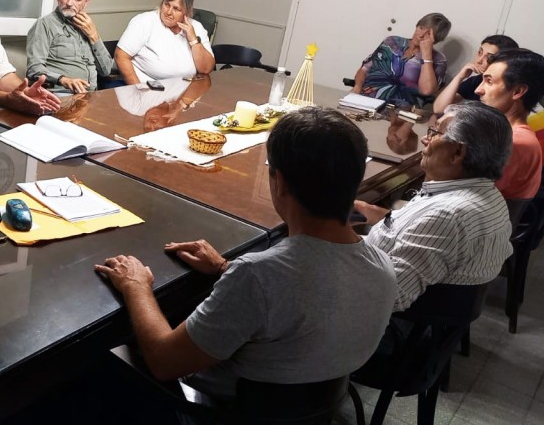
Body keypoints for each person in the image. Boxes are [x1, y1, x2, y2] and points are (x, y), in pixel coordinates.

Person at [95, 108, 396, 400]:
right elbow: (298, 295)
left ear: (280, 182)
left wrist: (136, 286)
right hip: (315, 406)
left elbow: (164, 362)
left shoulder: (257, 275)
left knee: (95, 363)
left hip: (221, 410)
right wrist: (224, 267)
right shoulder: (382, 266)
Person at [355, 101, 513, 311]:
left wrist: (338, 239)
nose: (424, 139)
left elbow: (388, 297)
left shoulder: (447, 216)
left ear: (457, 152)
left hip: (374, 292)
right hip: (379, 264)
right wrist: (381, 215)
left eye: (434, 133)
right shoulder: (485, 193)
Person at [475, 48, 544, 200]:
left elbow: (470, 193)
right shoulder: (505, 133)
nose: (478, 90)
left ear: (517, 91)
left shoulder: (514, 143)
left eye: (489, 81)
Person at [26, 0, 114, 94]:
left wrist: (94, 36)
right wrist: (63, 80)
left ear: (86, 2)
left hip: (91, 96)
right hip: (62, 95)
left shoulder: (88, 26)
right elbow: (34, 69)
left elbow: (106, 71)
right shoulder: (44, 24)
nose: (69, 3)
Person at [115, 0, 216, 85]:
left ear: (187, 12)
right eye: (167, 4)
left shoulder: (196, 27)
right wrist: (138, 89)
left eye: (176, 9)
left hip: (185, 90)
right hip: (148, 88)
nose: (168, 12)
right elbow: (120, 56)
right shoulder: (145, 21)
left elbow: (206, 69)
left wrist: (193, 40)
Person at [352, 13, 451, 108]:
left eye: (428, 33)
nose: (421, 35)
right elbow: (364, 69)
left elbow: (426, 91)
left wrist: (426, 55)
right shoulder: (391, 41)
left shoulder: (439, 60)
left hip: (399, 110)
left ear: (436, 39)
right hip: (364, 99)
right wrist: (357, 87)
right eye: (421, 28)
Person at [432, 34, 518, 115]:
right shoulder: (476, 80)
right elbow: (438, 109)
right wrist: (459, 77)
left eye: (489, 57)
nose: (479, 60)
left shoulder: (504, 89)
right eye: (480, 52)